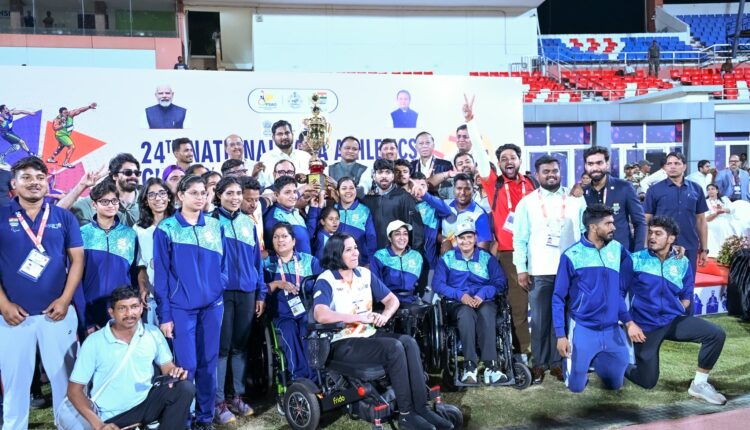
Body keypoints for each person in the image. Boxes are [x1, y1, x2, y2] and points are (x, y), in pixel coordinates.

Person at [313, 233, 453, 430]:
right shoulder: (326, 279)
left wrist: (385, 316)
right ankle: (406, 415)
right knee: (394, 348)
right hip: (342, 341)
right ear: (336, 254)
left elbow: (391, 300)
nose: (356, 253)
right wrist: (357, 317)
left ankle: (421, 408)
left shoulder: (364, 274)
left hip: (367, 335)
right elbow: (320, 314)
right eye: (349, 250)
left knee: (409, 342)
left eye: (356, 248)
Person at [0, 157, 83, 428]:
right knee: (15, 385)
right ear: (14, 184)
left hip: (57, 314)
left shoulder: (63, 217)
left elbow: (77, 261)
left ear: (47, 183)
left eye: (39, 177)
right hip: (13, 318)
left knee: (66, 382)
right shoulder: (1, 216)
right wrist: (3, 304)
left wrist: (65, 300)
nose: (34, 182)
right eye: (26, 177)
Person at [624, 216, 727, 405]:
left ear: (671, 238)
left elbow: (687, 294)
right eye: (650, 232)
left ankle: (699, 384)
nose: (651, 237)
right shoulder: (635, 259)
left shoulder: (682, 262)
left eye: (658, 233)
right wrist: (630, 324)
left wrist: (680, 306)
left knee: (716, 334)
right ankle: (619, 363)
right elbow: (617, 292)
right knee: (647, 381)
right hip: (645, 326)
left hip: (672, 321)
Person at [465, 96, 536, 360]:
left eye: (512, 157)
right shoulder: (493, 183)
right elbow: (480, 154)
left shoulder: (532, 183)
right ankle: (522, 353)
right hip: (509, 254)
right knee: (518, 306)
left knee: (542, 304)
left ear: (519, 160)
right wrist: (471, 122)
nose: (508, 161)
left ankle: (547, 354)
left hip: (538, 252)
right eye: (503, 158)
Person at [153, 174, 226, 430]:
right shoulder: (166, 229)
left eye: (203, 193)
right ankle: (183, 420)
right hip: (181, 309)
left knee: (208, 364)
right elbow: (161, 275)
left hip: (213, 307)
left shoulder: (215, 225)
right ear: (180, 195)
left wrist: (220, 285)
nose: (200, 197)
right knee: (187, 366)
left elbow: (224, 264)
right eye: (194, 192)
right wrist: (165, 315)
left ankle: (205, 419)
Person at [66, 286, 194, 429]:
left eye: (134, 307)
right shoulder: (94, 342)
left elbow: (167, 367)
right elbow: (74, 391)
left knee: (184, 388)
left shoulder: (152, 332)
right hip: (111, 417)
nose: (129, 313)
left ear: (141, 308)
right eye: (122, 308)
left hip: (145, 404)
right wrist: (99, 425)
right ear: (111, 312)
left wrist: (174, 372)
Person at [513, 154, 586, 384]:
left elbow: (585, 232)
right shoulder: (527, 202)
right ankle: (539, 363)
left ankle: (557, 362)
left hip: (570, 270)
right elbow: (519, 238)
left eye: (555, 170)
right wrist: (521, 268)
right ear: (537, 175)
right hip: (539, 268)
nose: (551, 175)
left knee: (562, 317)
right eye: (546, 171)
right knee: (540, 319)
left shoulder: (575, 199)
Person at [552, 204, 633, 393]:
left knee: (615, 384)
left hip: (611, 328)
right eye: (608, 223)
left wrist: (671, 251)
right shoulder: (571, 255)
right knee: (576, 387)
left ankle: (595, 358)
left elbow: (637, 261)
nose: (614, 227)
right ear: (593, 227)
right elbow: (558, 297)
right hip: (583, 327)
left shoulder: (617, 249)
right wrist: (561, 336)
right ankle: (576, 364)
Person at [211, 177, 266, 424]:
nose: (235, 198)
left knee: (240, 346)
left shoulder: (248, 222)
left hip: (247, 291)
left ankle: (237, 396)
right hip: (221, 294)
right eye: (229, 193)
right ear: (218, 195)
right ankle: (218, 401)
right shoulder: (210, 222)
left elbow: (257, 262)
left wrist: (260, 292)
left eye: (238, 193)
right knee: (222, 347)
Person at [433, 220, 507, 384]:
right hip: (457, 303)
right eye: (461, 238)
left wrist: (483, 293)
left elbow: (500, 282)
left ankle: (491, 366)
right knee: (466, 314)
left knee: (487, 312)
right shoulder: (448, 258)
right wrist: (460, 295)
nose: (465, 241)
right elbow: (437, 284)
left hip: (483, 300)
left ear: (475, 238)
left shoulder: (486, 258)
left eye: (469, 237)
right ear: (456, 239)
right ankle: (470, 366)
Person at [264, 223, 322, 381]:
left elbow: (323, 284)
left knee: (307, 330)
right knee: (289, 331)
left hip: (306, 312)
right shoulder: (267, 264)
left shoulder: (309, 261)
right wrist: (277, 284)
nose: (280, 240)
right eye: (276, 237)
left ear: (294, 241)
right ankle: (299, 377)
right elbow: (260, 290)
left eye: (284, 236)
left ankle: (315, 376)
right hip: (281, 315)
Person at [79, 180, 138, 333]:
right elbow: (76, 278)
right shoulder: (82, 234)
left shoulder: (130, 234)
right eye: (104, 201)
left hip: (123, 308)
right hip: (91, 307)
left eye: (114, 201)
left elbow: (134, 273)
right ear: (94, 205)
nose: (111, 205)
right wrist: (86, 318)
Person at [644, 151, 708, 291]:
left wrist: (704, 249)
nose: (672, 166)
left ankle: (687, 307)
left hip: (690, 245)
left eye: (677, 163)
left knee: (687, 287)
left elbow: (701, 220)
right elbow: (647, 220)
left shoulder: (696, 189)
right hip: (662, 247)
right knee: (662, 288)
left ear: (684, 166)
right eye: (669, 164)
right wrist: (645, 246)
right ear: (665, 167)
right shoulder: (654, 190)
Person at [582, 146, 646, 252]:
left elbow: (640, 222)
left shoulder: (624, 187)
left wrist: (638, 253)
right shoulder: (583, 193)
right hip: (593, 254)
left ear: (607, 164)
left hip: (621, 252)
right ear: (585, 166)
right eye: (590, 164)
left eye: (599, 163)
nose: (595, 168)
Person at [135, 177, 175, 326]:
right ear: (145, 201)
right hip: (154, 296)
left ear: (169, 197)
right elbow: (141, 265)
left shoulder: (179, 223)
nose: (158, 198)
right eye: (151, 195)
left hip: (179, 295)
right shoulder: (139, 229)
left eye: (162, 193)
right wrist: (143, 287)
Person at [362, 159, 424, 251]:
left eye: (387, 172)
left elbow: (416, 230)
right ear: (374, 175)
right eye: (380, 172)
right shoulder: (367, 200)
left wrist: (414, 254)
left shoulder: (404, 197)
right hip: (372, 254)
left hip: (399, 254)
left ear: (393, 176)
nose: (384, 176)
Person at [70, 153, 142, 227]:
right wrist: (82, 185)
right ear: (115, 175)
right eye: (128, 173)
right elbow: (61, 213)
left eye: (137, 173)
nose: (133, 176)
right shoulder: (96, 201)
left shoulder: (146, 201)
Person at [372, 221, 425, 304]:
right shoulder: (380, 256)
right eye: (397, 234)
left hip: (410, 301)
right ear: (390, 238)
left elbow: (420, 282)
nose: (402, 237)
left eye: (405, 234)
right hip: (387, 301)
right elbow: (376, 286)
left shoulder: (416, 256)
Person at [263, 176, 318, 254]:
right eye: (287, 192)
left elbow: (307, 236)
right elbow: (278, 251)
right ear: (276, 195)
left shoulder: (295, 212)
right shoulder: (275, 217)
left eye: (295, 192)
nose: (293, 196)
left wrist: (313, 208)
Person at [410, 172, 452, 273]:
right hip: (410, 260)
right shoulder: (405, 203)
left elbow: (447, 211)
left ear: (427, 187)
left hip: (430, 260)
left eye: (422, 186)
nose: (419, 189)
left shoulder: (433, 203)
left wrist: (425, 195)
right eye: (415, 186)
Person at [440, 173, 493, 253]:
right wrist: (444, 240)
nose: (463, 192)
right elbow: (430, 230)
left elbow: (483, 251)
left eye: (467, 189)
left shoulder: (480, 214)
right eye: (459, 188)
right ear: (453, 189)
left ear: (473, 190)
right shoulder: (444, 205)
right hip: (444, 257)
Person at [334, 177, 377, 266]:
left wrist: (370, 263)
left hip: (360, 263)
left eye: (351, 188)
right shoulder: (333, 210)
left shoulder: (364, 210)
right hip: (336, 263)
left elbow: (371, 238)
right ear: (338, 192)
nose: (348, 191)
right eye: (344, 188)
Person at [258, 120, 311, 188]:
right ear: (273, 137)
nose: (284, 137)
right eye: (280, 134)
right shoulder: (266, 158)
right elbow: (263, 185)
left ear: (292, 135)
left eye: (287, 133)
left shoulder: (305, 156)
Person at [47, 103, 97, 168]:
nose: (66, 114)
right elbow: (55, 128)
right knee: (71, 147)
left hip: (65, 135)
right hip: (61, 135)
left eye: (67, 112)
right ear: (60, 113)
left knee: (61, 147)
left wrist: (89, 107)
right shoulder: (57, 119)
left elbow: (79, 110)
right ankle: (66, 163)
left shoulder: (70, 114)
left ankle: (51, 158)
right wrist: (62, 125)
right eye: (64, 113)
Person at [411, 131, 454, 198]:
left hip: (439, 201)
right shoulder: (411, 166)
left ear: (433, 145)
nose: (424, 146)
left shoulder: (445, 165)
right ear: (416, 147)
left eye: (427, 143)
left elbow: (449, 189)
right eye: (421, 143)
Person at [705, 183, 737, 258]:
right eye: (708, 190)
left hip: (725, 221)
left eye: (712, 189)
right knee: (716, 227)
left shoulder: (724, 199)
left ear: (717, 190)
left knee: (726, 225)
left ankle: (728, 253)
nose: (710, 191)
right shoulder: (705, 202)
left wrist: (723, 210)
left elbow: (732, 210)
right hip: (712, 222)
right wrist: (716, 213)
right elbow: (706, 218)